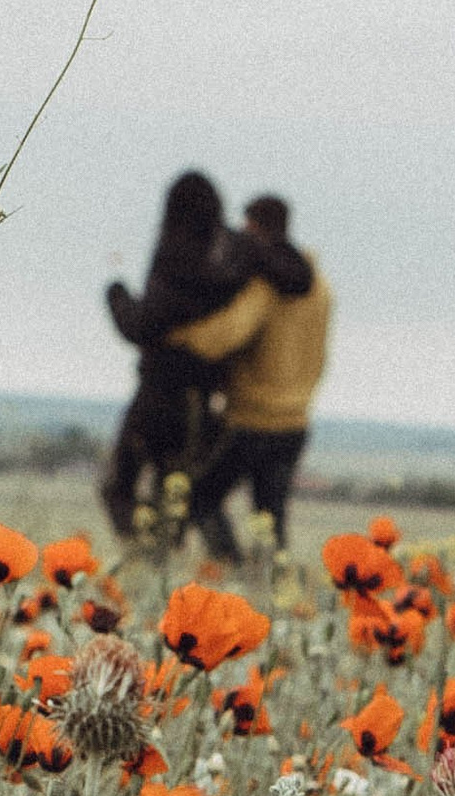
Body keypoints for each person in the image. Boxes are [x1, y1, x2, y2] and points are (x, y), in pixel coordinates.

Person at [171, 195, 330, 556]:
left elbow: (225, 337)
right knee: (270, 521)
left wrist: (174, 334)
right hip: (296, 421)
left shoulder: (267, 287)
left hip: (252, 419)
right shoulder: (321, 288)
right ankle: (270, 593)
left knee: (199, 503)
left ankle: (232, 570)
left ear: (255, 227)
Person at [100, 172, 248, 539]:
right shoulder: (233, 260)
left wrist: (117, 293)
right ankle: (167, 562)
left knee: (119, 486)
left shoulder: (176, 258)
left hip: (159, 393)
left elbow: (141, 325)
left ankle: (145, 556)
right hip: (205, 400)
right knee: (174, 493)